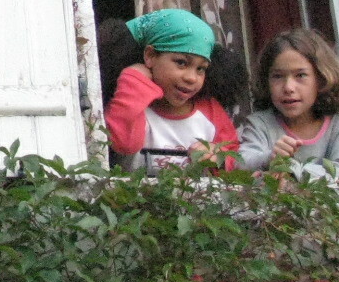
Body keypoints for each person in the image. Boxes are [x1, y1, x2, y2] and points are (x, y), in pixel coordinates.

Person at [101, 9, 240, 171]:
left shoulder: (211, 110)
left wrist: (218, 156)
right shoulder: (134, 99)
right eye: (181, 63)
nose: (192, 78)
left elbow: (235, 158)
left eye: (200, 69)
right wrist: (134, 83)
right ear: (150, 56)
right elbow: (123, 144)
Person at [237, 28, 339, 171]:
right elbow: (241, 163)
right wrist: (269, 158)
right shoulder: (260, 123)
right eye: (278, 76)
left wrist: (293, 170)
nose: (288, 87)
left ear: (322, 78)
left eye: (300, 75)